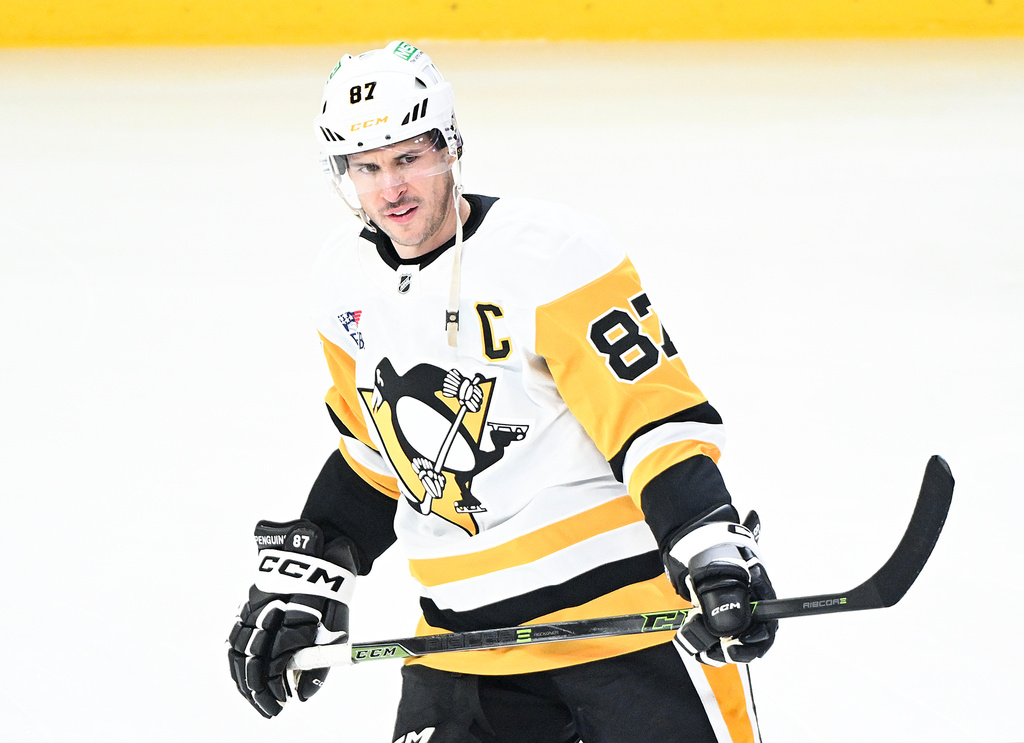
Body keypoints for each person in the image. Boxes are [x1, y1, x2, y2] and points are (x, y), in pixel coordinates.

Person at [228, 40, 778, 743]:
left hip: (627, 634)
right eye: (366, 167)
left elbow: (647, 418)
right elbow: (378, 454)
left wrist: (706, 543)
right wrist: (314, 569)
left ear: (450, 148)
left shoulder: (553, 254)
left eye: (408, 157)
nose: (390, 188)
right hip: (461, 651)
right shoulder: (340, 282)